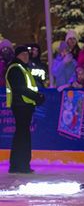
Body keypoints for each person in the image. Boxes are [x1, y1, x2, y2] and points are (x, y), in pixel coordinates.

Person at [6, 45, 45, 174]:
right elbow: (20, 88)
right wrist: (37, 97)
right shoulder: (16, 69)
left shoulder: (22, 68)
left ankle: (19, 165)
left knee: (22, 135)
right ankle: (20, 165)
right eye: (23, 54)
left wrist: (35, 97)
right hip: (21, 106)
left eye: (27, 54)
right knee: (22, 136)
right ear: (17, 56)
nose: (26, 56)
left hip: (25, 105)